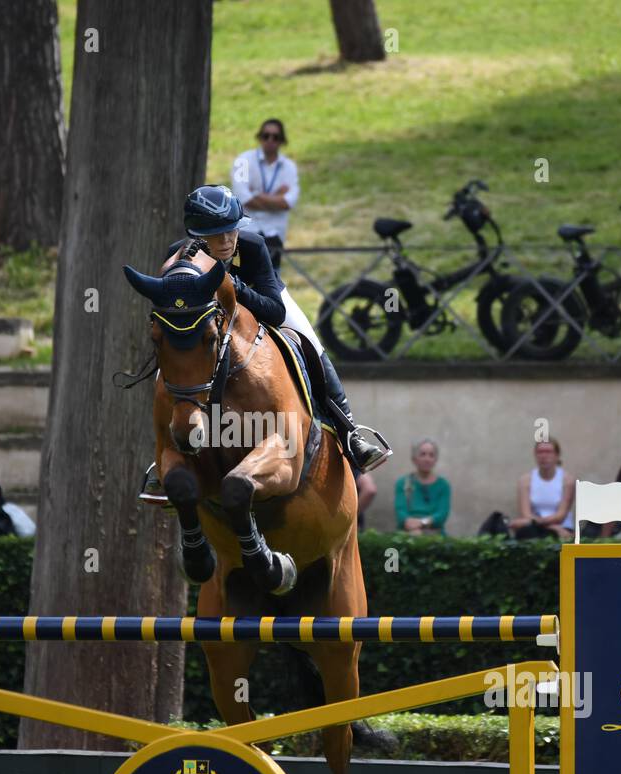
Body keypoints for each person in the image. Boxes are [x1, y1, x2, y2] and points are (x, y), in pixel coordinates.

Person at [139, 184, 388, 504]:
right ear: (199, 235)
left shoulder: (253, 246)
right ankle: (165, 459)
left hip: (262, 311)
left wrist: (234, 285)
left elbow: (274, 309)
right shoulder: (180, 256)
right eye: (217, 235)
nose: (228, 241)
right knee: (172, 367)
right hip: (207, 332)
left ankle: (349, 432)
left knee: (310, 340)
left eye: (231, 231)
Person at [230, 119, 299, 271]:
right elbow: (242, 198)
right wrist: (276, 197)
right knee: (243, 284)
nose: (270, 140)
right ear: (260, 137)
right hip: (246, 234)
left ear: (282, 140)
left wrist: (256, 194)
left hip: (274, 235)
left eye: (275, 137)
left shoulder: (289, 167)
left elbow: (288, 202)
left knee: (273, 284)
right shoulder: (244, 161)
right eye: (266, 135)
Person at [508, 439, 576, 541]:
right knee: (525, 533)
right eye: (540, 452)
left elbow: (560, 516)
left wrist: (537, 523)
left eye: (548, 452)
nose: (543, 456)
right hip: (534, 527)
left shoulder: (567, 480)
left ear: (557, 455)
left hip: (562, 527)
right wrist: (550, 526)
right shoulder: (525, 480)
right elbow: (526, 514)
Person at [394, 438, 449, 535]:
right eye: (422, 454)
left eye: (431, 455)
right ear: (414, 459)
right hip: (408, 534)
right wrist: (410, 524)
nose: (427, 459)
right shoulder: (402, 483)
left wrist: (422, 523)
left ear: (435, 460)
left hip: (436, 536)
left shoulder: (443, 485)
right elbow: (401, 513)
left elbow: (442, 515)